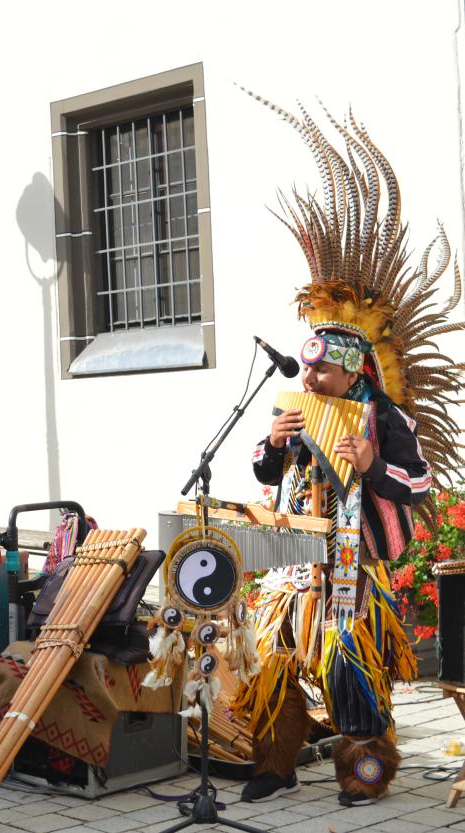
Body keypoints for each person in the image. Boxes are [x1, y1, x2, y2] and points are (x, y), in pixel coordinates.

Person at [235, 100, 459, 808]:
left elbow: (417, 480)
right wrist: (269, 448)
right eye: (305, 373)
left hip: (349, 568)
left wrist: (368, 465)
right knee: (272, 661)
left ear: (351, 370)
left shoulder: (384, 414)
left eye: (320, 374)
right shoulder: (298, 408)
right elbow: (273, 476)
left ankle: (365, 774)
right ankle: (274, 762)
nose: (308, 383)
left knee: (347, 666)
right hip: (289, 563)